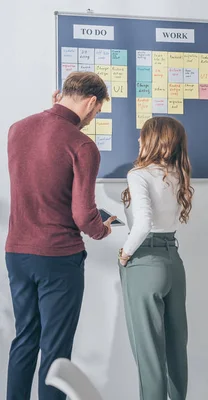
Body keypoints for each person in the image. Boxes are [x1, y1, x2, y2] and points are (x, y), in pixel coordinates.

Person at [5, 72, 116, 400]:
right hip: (58, 257)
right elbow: (83, 216)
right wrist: (102, 228)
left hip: (17, 253)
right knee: (55, 350)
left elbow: (40, 153)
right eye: (97, 112)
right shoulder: (82, 145)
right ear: (92, 102)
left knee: (24, 340)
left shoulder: (17, 130)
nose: (93, 119)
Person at [117, 117, 194, 400]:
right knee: (176, 348)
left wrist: (125, 253)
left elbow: (144, 222)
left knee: (149, 354)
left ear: (151, 140)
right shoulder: (178, 174)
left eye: (141, 136)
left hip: (145, 261)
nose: (138, 141)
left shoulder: (139, 175)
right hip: (173, 262)